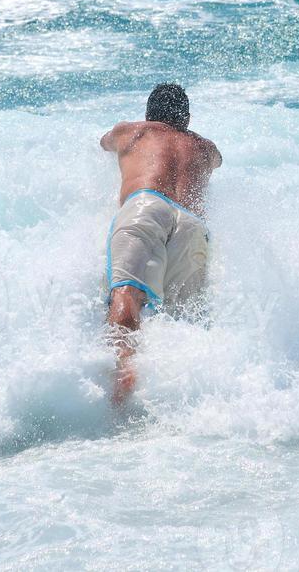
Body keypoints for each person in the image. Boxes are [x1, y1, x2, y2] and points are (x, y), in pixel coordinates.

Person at [100, 83, 222, 403]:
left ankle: (123, 379)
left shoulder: (132, 132)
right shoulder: (205, 148)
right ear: (187, 118)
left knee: (127, 292)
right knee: (181, 315)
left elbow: (104, 143)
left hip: (147, 205)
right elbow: (218, 161)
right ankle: (175, 398)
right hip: (193, 226)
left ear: (148, 113)